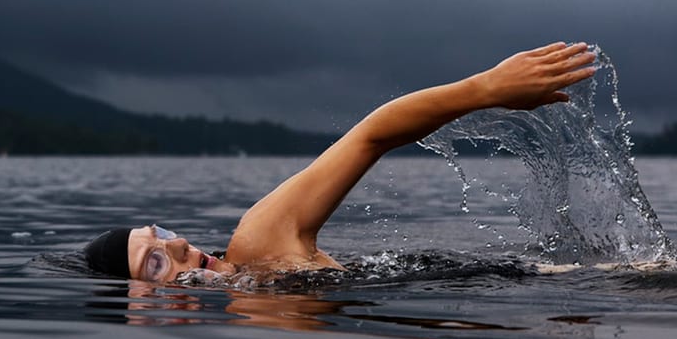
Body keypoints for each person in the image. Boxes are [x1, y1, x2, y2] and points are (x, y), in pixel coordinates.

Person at [84, 42, 598, 283]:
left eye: (162, 233)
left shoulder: (259, 244)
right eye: (155, 261)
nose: (177, 243)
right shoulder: (254, 333)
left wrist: (485, 89)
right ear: (142, 309)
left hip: (564, 282)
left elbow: (370, 136)